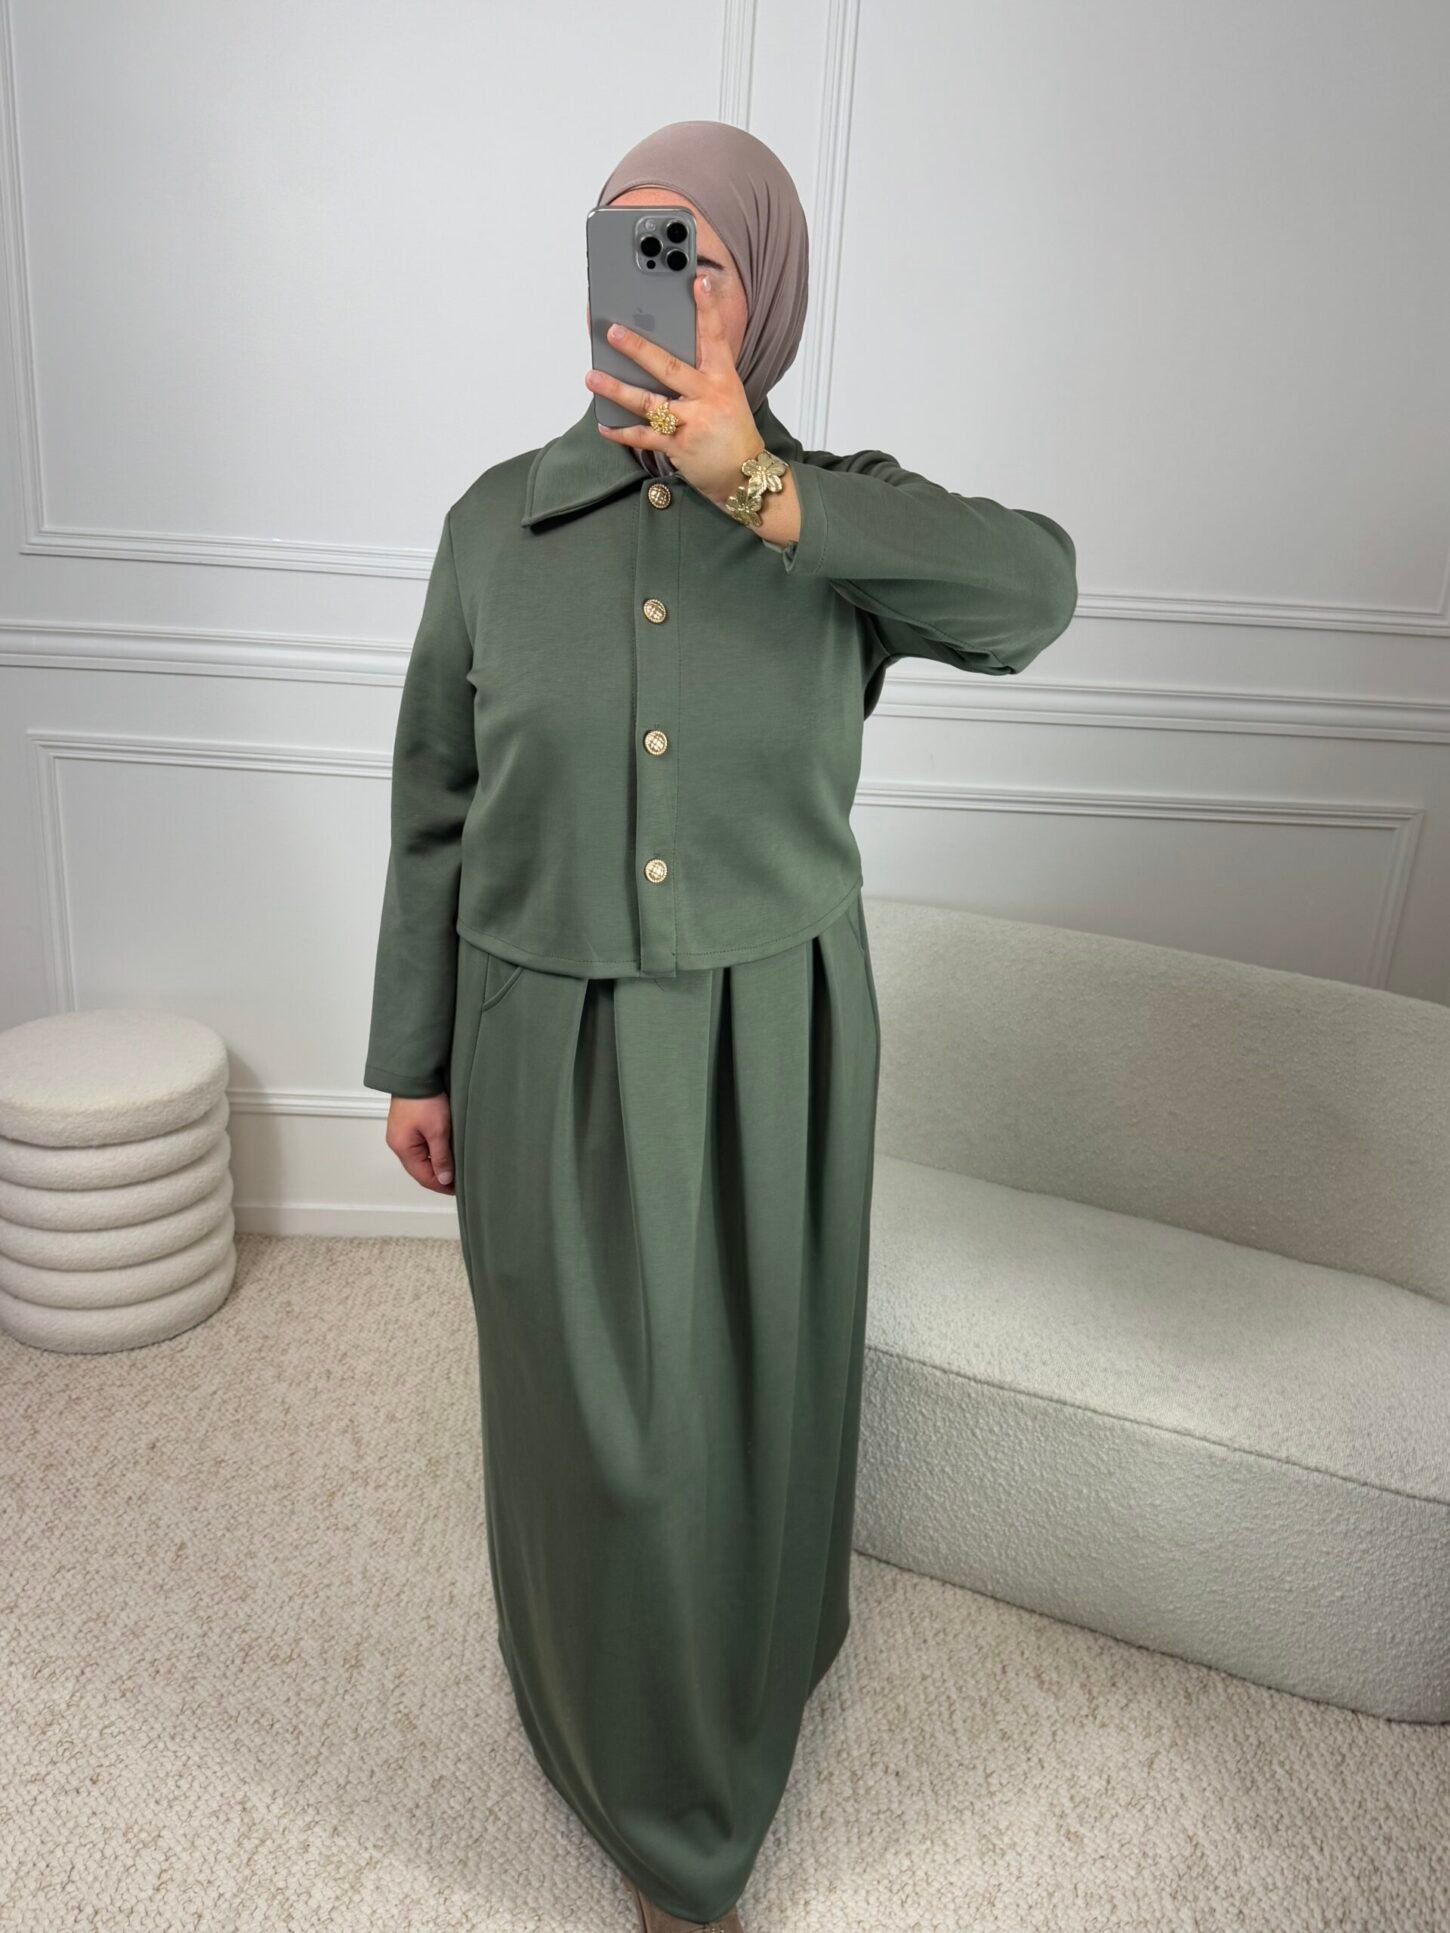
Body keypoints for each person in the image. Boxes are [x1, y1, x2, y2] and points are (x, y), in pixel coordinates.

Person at [364, 120, 1077, 1933]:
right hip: (538, 1039)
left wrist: (760, 483)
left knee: (756, 1392)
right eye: (619, 243)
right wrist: (415, 1056)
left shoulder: (832, 520)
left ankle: (752, 1674)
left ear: (761, 289)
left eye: (692, 248)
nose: (650, 281)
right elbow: (433, 801)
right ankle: (625, 1762)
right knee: (588, 1424)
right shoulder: (492, 524)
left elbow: (1035, 596)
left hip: (779, 1043)